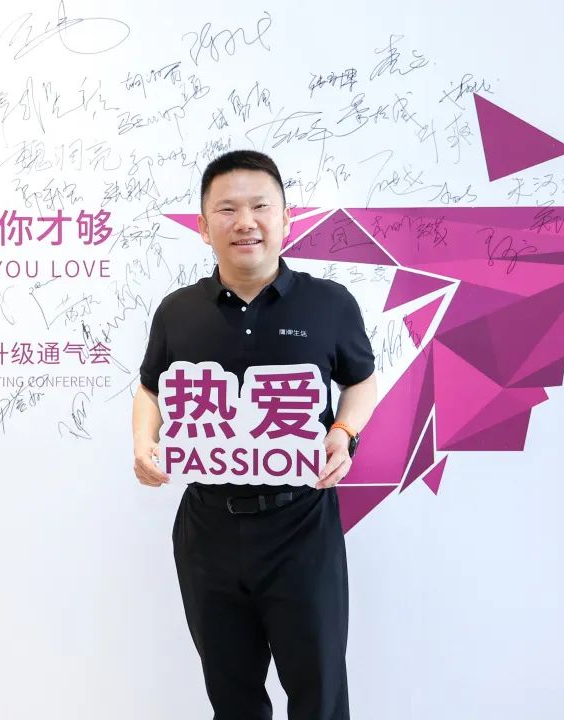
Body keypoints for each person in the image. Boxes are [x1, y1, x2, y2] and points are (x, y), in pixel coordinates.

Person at [132, 150, 378, 720]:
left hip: (301, 526)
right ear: (203, 226)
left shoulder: (329, 304)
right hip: (208, 529)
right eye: (227, 209)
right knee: (232, 695)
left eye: (260, 206)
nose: (245, 222)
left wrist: (343, 431)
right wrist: (144, 443)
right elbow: (149, 388)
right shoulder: (178, 312)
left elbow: (361, 380)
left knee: (319, 693)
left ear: (286, 219)